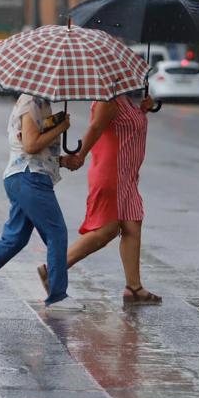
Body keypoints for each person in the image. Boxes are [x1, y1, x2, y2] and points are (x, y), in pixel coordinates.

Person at [0, 94, 85, 313]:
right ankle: (58, 296)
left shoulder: (40, 102)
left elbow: (35, 149)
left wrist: (62, 161)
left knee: (15, 239)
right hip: (29, 177)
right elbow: (30, 145)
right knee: (56, 233)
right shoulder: (31, 102)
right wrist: (61, 127)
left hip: (25, 176)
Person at [42, 92, 162, 304]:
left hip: (128, 175)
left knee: (133, 226)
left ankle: (134, 288)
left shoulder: (125, 98)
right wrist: (80, 155)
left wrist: (145, 107)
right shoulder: (108, 100)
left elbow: (127, 126)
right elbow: (96, 128)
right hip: (112, 173)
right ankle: (53, 269)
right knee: (106, 231)